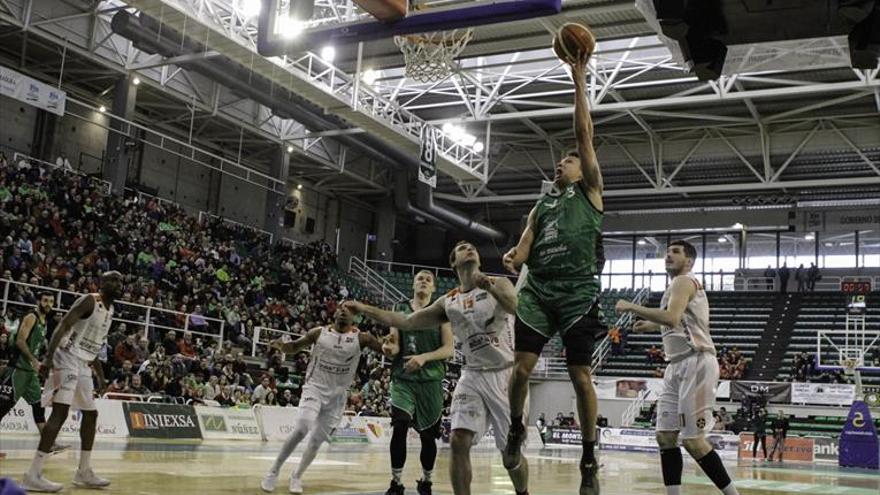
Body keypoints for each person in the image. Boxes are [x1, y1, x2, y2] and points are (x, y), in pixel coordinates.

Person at [501, 36, 605, 495]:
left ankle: (588, 455)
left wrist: (578, 79)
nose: (562, 163)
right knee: (521, 369)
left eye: (568, 160)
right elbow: (523, 247)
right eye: (561, 160)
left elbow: (584, 134)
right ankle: (515, 428)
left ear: (581, 169)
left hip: (578, 293)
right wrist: (513, 257)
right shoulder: (541, 206)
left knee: (581, 376)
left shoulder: (591, 191)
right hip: (540, 291)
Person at [346, 241, 529, 495]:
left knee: (511, 458)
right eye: (462, 247)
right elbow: (407, 321)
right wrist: (365, 309)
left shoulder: (498, 282)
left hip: (505, 374)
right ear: (453, 262)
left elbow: (514, 306)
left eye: (472, 247)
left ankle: (523, 492)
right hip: (473, 375)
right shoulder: (449, 302)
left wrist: (489, 287)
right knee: (458, 440)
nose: (470, 249)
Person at [615, 241, 739, 495]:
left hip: (696, 361)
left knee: (693, 441)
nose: (668, 256)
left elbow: (671, 318)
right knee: (665, 437)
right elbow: (679, 320)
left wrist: (632, 306)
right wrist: (650, 325)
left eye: (676, 252)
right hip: (675, 365)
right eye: (667, 252)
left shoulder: (684, 282)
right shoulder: (676, 286)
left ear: (689, 261)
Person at [260, 305, 386, 494]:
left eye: (349, 310)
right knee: (302, 427)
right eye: (341, 308)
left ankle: (296, 476)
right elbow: (294, 347)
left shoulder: (363, 338)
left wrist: (393, 340)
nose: (344, 311)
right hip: (315, 388)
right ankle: (273, 471)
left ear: (355, 317)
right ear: (334, 313)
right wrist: (282, 346)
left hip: (338, 395)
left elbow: (386, 350)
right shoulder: (319, 332)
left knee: (316, 441)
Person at [22, 271, 123, 492]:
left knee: (91, 414)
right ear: (102, 283)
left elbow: (93, 346)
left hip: (83, 362)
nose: (118, 284)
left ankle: (83, 472)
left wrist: (101, 375)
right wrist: (48, 359)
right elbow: (63, 326)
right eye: (113, 280)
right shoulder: (89, 300)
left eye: (120, 281)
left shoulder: (111, 310)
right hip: (65, 357)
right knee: (60, 413)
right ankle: (33, 474)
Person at [378, 270, 454, 495]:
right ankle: (396, 482)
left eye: (428, 280)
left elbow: (448, 349)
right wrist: (388, 348)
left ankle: (426, 480)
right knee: (400, 425)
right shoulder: (399, 308)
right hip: (404, 379)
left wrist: (424, 358)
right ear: (413, 284)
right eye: (420, 278)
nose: (423, 281)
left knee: (428, 437)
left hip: (430, 381)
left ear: (433, 289)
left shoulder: (442, 313)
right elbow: (394, 346)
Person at [0, 292, 69, 454]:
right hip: (18, 370)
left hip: (30, 374)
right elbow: (20, 341)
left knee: (38, 407)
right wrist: (33, 359)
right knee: (2, 408)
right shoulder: (31, 316)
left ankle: (49, 443)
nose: (48, 304)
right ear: (39, 301)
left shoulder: (45, 321)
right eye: (45, 300)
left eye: (51, 301)